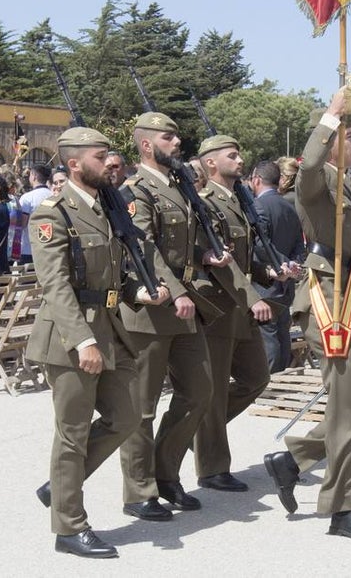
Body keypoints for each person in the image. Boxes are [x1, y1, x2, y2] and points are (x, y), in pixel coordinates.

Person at [263, 90, 351, 542]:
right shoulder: (316, 181)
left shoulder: (350, 183)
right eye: (350, 137)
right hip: (328, 300)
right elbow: (310, 167)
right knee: (350, 409)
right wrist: (331, 116)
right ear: (331, 139)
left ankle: (293, 459)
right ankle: (340, 508)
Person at [27, 126, 145, 559]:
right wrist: (82, 342)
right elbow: (55, 285)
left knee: (128, 415)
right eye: (100, 157)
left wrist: (139, 292)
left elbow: (115, 273)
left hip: (111, 328)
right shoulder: (52, 213)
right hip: (70, 336)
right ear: (75, 164)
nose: (108, 163)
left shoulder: (105, 208)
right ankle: (69, 526)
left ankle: (61, 486)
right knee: (72, 435)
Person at [119, 111, 224, 521]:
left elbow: (182, 244)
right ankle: (138, 490)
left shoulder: (178, 185)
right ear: (147, 145)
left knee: (199, 392)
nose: (177, 143)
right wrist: (177, 292)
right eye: (168, 137)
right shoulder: (135, 189)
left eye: (177, 136)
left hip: (185, 304)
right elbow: (142, 246)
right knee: (141, 407)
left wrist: (205, 256)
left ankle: (166, 473)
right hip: (152, 308)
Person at [192, 135, 278, 493]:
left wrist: (268, 272)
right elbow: (217, 264)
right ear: (211, 163)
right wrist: (252, 294)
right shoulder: (205, 203)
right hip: (220, 309)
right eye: (232, 155)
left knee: (256, 379)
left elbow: (242, 259)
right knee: (212, 394)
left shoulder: (239, 201)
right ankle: (212, 467)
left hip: (241, 309)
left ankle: (196, 432)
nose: (240, 160)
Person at [250, 159, 306, 372]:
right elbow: (300, 245)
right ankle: (283, 379)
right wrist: (292, 264)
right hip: (286, 284)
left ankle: (272, 382)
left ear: (256, 180)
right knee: (282, 334)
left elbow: (260, 244)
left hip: (266, 282)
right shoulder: (290, 206)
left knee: (268, 337)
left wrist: (281, 264)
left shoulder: (258, 206)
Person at [18, 164, 54, 266]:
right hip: (50, 248)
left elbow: (22, 224)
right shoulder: (54, 196)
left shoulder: (27, 198)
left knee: (27, 281)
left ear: (34, 176)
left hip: (29, 248)